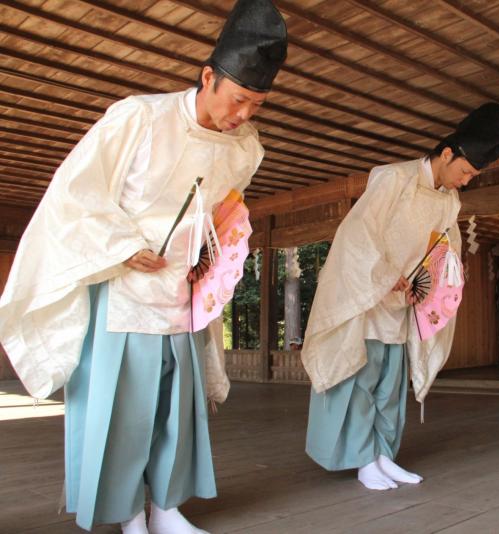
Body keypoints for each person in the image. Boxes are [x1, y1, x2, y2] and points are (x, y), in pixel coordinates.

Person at [0, 1, 287, 531]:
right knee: (123, 412)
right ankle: (130, 512)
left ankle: (168, 506)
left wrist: (212, 257)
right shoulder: (138, 116)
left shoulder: (245, 148)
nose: (245, 115)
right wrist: (119, 243)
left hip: (181, 293)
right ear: (208, 77)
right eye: (240, 99)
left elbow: (225, 213)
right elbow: (73, 192)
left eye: (258, 105)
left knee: (176, 406)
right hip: (126, 289)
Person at [302, 103, 499, 490]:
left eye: (472, 176)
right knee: (363, 380)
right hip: (368, 294)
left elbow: (444, 246)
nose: (465, 181)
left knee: (390, 383)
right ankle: (364, 459)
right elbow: (358, 234)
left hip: (404, 299)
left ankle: (384, 455)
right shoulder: (393, 178)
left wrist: (442, 277)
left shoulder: (449, 200)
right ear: (447, 153)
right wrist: (384, 275)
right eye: (465, 171)